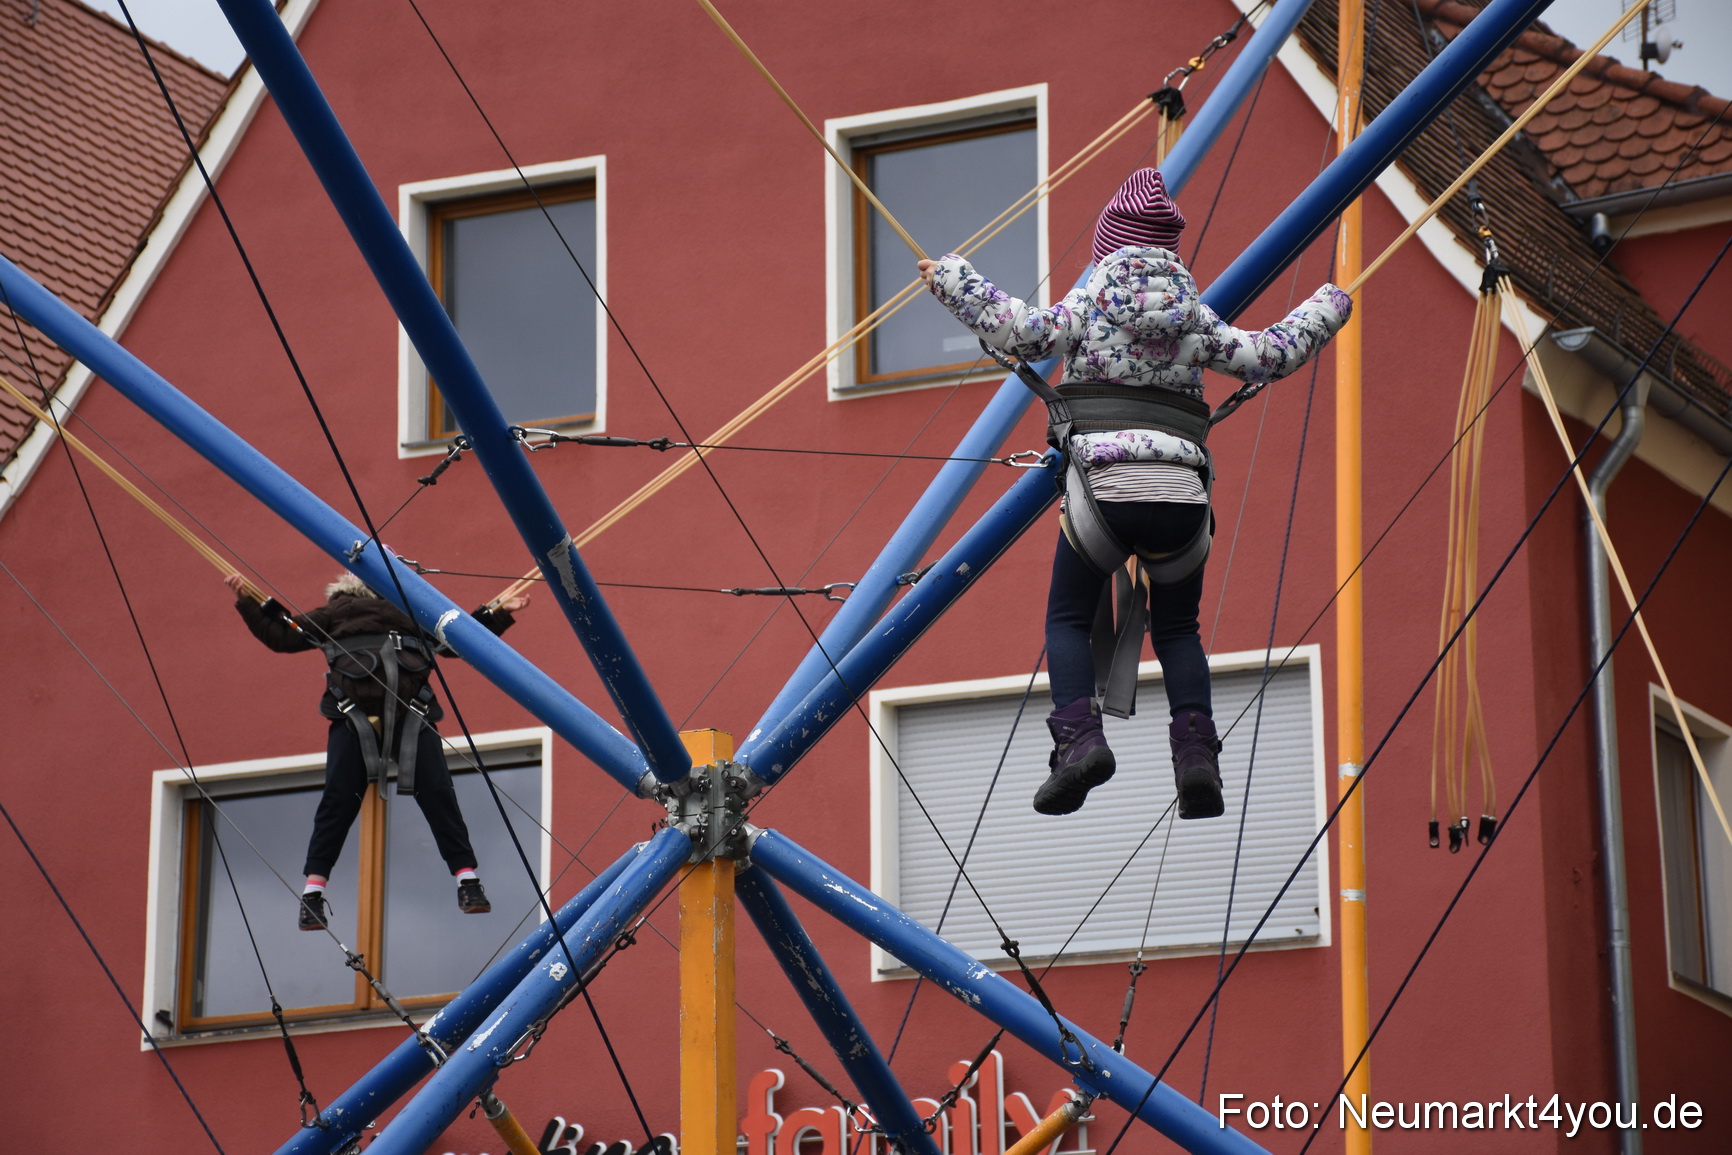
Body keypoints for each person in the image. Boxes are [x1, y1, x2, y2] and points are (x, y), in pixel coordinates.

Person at [918, 168, 1352, 819]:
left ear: (1108, 247)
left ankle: (1080, 741)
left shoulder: (1089, 302)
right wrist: (1331, 304)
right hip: (1181, 499)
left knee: (1068, 616)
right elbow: (1268, 354)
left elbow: (1024, 333)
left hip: (1104, 489)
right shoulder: (1195, 317)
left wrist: (952, 280)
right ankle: (1197, 756)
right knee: (1179, 628)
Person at [223, 570, 529, 929]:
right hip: (360, 714)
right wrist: (248, 600)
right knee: (393, 796)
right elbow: (283, 634)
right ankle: (316, 892)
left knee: (412, 794)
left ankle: (465, 880)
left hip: (404, 713)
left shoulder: (406, 613)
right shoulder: (349, 613)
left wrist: (498, 612)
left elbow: (458, 639)